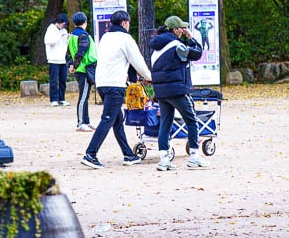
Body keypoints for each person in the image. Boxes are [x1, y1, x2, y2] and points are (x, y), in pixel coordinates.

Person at [81, 10, 152, 169]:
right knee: (107, 119)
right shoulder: (125, 38)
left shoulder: (105, 37)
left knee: (117, 120)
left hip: (102, 84)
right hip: (115, 85)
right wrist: (149, 76)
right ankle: (90, 154)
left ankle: (128, 154)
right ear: (124, 23)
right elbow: (137, 60)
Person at [149, 15, 209, 170]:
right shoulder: (176, 45)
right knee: (192, 120)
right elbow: (196, 54)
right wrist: (191, 38)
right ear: (174, 30)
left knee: (165, 123)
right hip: (177, 90)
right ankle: (194, 156)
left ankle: (164, 159)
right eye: (181, 29)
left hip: (161, 92)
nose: (183, 31)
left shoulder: (157, 47)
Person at [67, 12, 97, 132]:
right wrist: (74, 65)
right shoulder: (84, 35)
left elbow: (68, 52)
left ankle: (87, 121)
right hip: (84, 69)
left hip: (80, 68)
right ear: (85, 22)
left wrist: (70, 64)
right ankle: (80, 123)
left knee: (85, 95)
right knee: (83, 96)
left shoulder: (72, 35)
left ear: (74, 23)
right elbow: (81, 52)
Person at [44, 13, 70, 106]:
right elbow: (48, 41)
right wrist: (59, 36)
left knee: (63, 80)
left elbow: (65, 43)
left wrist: (67, 38)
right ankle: (54, 99)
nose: (64, 26)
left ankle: (62, 98)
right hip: (53, 59)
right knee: (54, 80)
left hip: (62, 59)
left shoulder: (64, 31)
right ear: (58, 22)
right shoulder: (51, 29)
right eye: (63, 24)